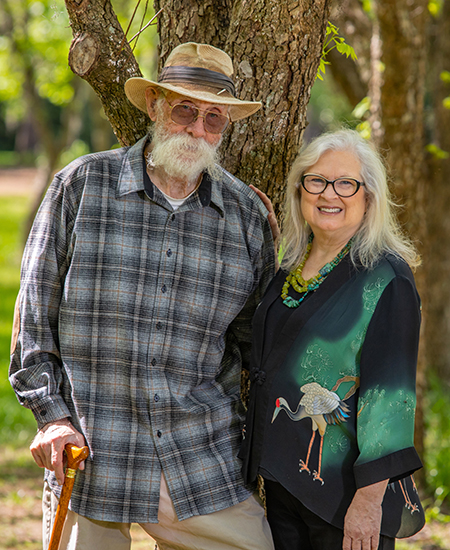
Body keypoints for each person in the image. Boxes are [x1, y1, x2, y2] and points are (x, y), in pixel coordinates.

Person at [9, 42, 276, 550]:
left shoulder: (245, 216)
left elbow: (253, 344)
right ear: (155, 106)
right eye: (185, 110)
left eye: (214, 118)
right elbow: (34, 318)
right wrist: (52, 417)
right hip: (91, 452)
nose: (198, 129)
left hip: (198, 454)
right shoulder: (81, 186)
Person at [239, 129, 426, 550]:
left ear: (368, 197)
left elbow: (390, 398)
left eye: (346, 183)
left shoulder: (385, 278)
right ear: (300, 189)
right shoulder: (290, 265)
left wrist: (368, 501)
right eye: (317, 181)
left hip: (345, 496)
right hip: (284, 480)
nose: (329, 194)